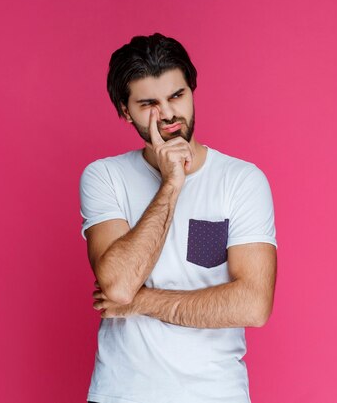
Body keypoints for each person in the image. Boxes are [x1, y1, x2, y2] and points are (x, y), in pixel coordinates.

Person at [79, 32, 278, 403]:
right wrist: (171, 184)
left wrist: (142, 303)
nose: (168, 114)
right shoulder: (104, 177)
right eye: (148, 104)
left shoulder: (241, 181)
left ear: (192, 90)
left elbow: (253, 304)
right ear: (125, 111)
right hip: (121, 394)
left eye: (176, 96)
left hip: (215, 395)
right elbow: (119, 287)